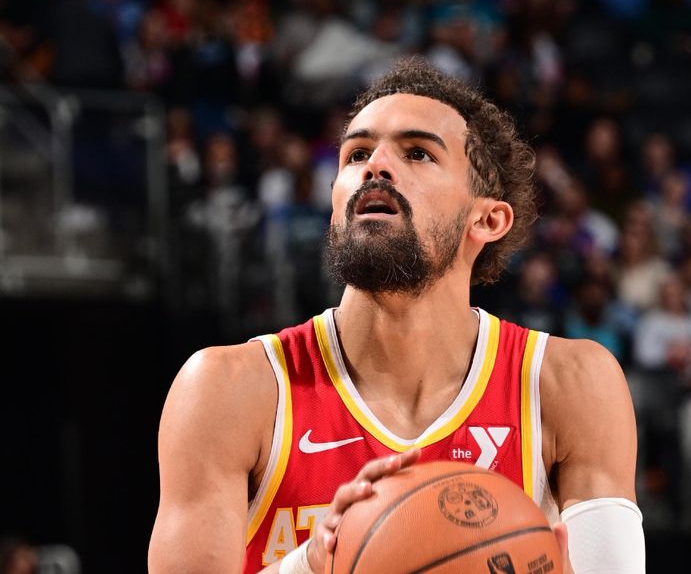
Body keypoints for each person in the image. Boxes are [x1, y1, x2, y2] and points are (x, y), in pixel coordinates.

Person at [148, 58, 645, 574]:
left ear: (487, 219)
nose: (376, 165)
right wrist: (309, 566)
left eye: (417, 153)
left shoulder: (568, 383)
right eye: (357, 152)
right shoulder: (230, 389)